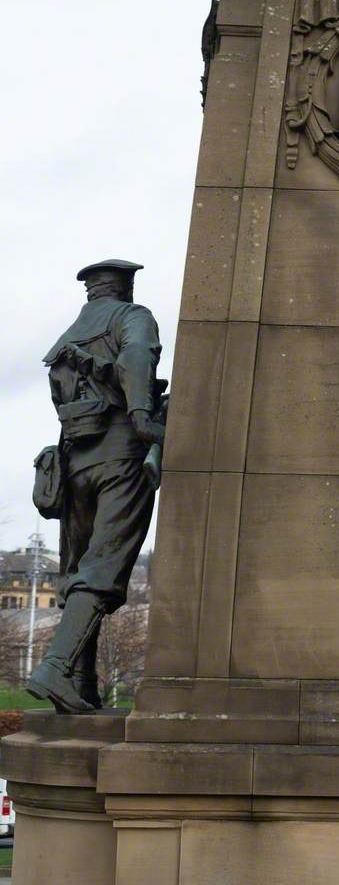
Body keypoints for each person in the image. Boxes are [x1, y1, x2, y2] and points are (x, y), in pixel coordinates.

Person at [27, 260, 164, 713]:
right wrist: (143, 413)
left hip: (75, 463)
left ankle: (81, 684)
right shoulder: (132, 317)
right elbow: (137, 355)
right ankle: (55, 667)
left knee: (78, 570)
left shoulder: (67, 338)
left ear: (92, 292)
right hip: (121, 452)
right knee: (102, 569)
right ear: (125, 288)